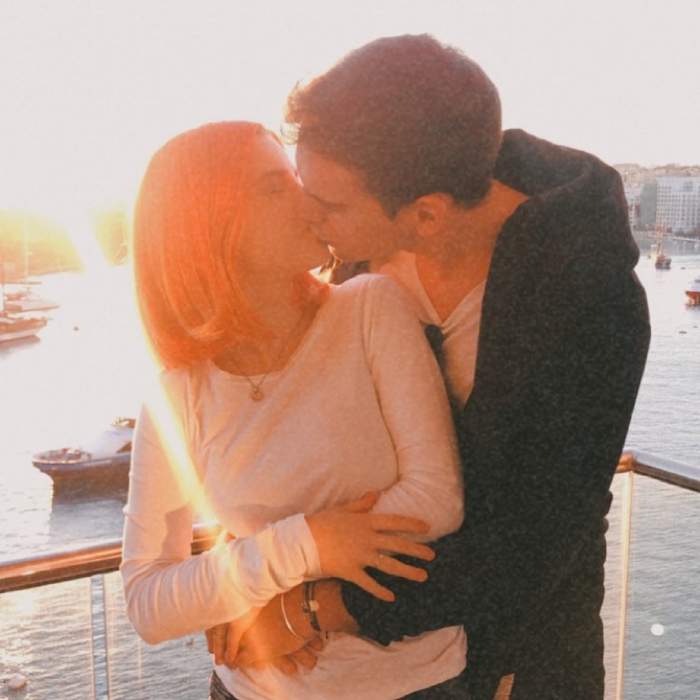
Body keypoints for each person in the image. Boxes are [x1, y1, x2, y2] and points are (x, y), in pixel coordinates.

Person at [217, 34, 651, 699]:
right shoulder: (362, 251)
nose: (307, 214)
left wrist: (311, 610)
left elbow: (533, 541)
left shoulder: (592, 301)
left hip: (512, 662)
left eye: (329, 205)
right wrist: (241, 575)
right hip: (356, 668)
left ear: (426, 215)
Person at [121, 120, 470, 700]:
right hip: (251, 688)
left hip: (415, 684)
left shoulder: (369, 309)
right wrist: (307, 543)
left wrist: (286, 605)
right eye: (273, 187)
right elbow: (147, 603)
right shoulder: (177, 395)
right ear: (209, 229)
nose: (309, 200)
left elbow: (437, 499)